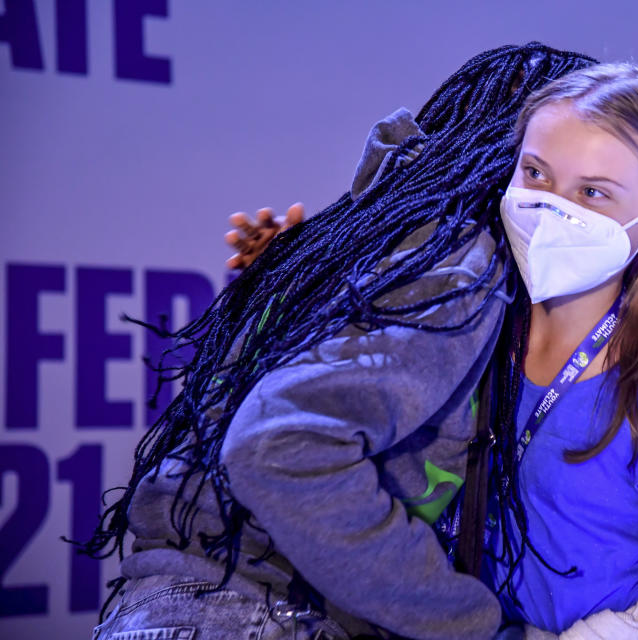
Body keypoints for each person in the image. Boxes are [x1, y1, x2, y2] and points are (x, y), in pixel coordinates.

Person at [76, 43, 598, 640]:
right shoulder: (457, 263)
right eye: (548, 164)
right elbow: (280, 447)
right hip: (264, 614)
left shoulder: (358, 236)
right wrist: (467, 623)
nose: (566, 195)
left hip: (181, 604)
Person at [232, 62, 638, 639]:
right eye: (536, 173)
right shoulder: (469, 332)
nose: (554, 207)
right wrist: (297, 277)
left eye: (593, 192)